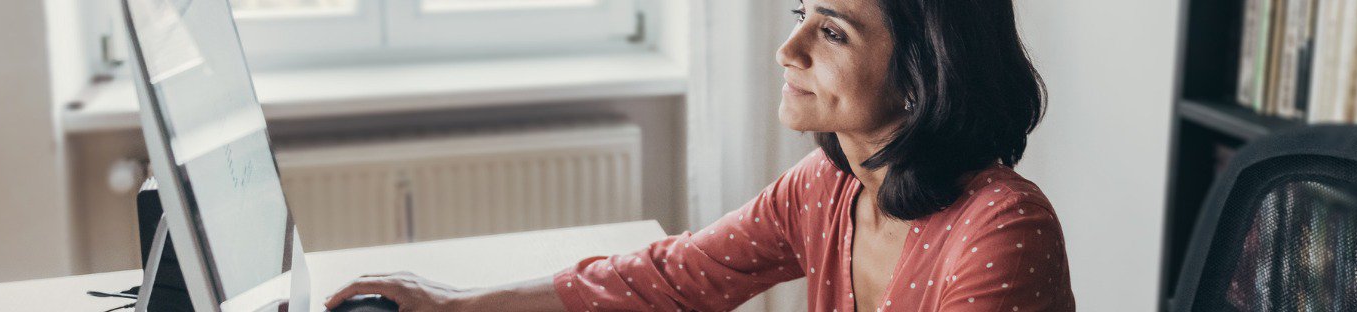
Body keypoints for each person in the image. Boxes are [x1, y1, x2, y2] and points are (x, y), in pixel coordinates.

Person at [326, 0, 1070, 310]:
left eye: (833, 32)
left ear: (924, 73)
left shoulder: (1003, 228)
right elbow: (666, 278)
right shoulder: (825, 189)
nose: (788, 49)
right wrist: (452, 306)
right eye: (800, 14)